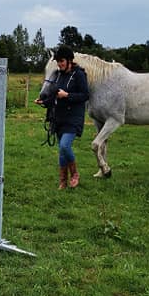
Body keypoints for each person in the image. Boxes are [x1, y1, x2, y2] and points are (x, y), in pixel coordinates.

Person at [35, 45, 89, 189]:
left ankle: (75, 174)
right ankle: (63, 181)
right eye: (58, 61)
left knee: (65, 146)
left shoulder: (79, 75)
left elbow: (85, 95)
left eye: (62, 61)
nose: (60, 64)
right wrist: (44, 102)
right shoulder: (59, 75)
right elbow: (54, 95)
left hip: (73, 117)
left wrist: (67, 95)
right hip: (58, 116)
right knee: (62, 150)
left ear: (70, 60)